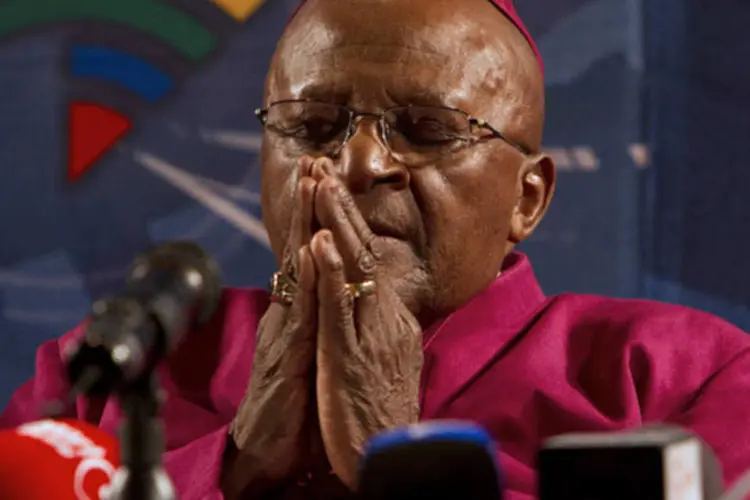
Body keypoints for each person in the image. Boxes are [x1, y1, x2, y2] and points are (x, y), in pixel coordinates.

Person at [3, 0, 750, 498]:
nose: (359, 165)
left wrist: (399, 466)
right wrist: (235, 466)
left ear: (527, 198)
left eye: (426, 131)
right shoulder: (119, 367)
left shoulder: (679, 376)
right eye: (312, 123)